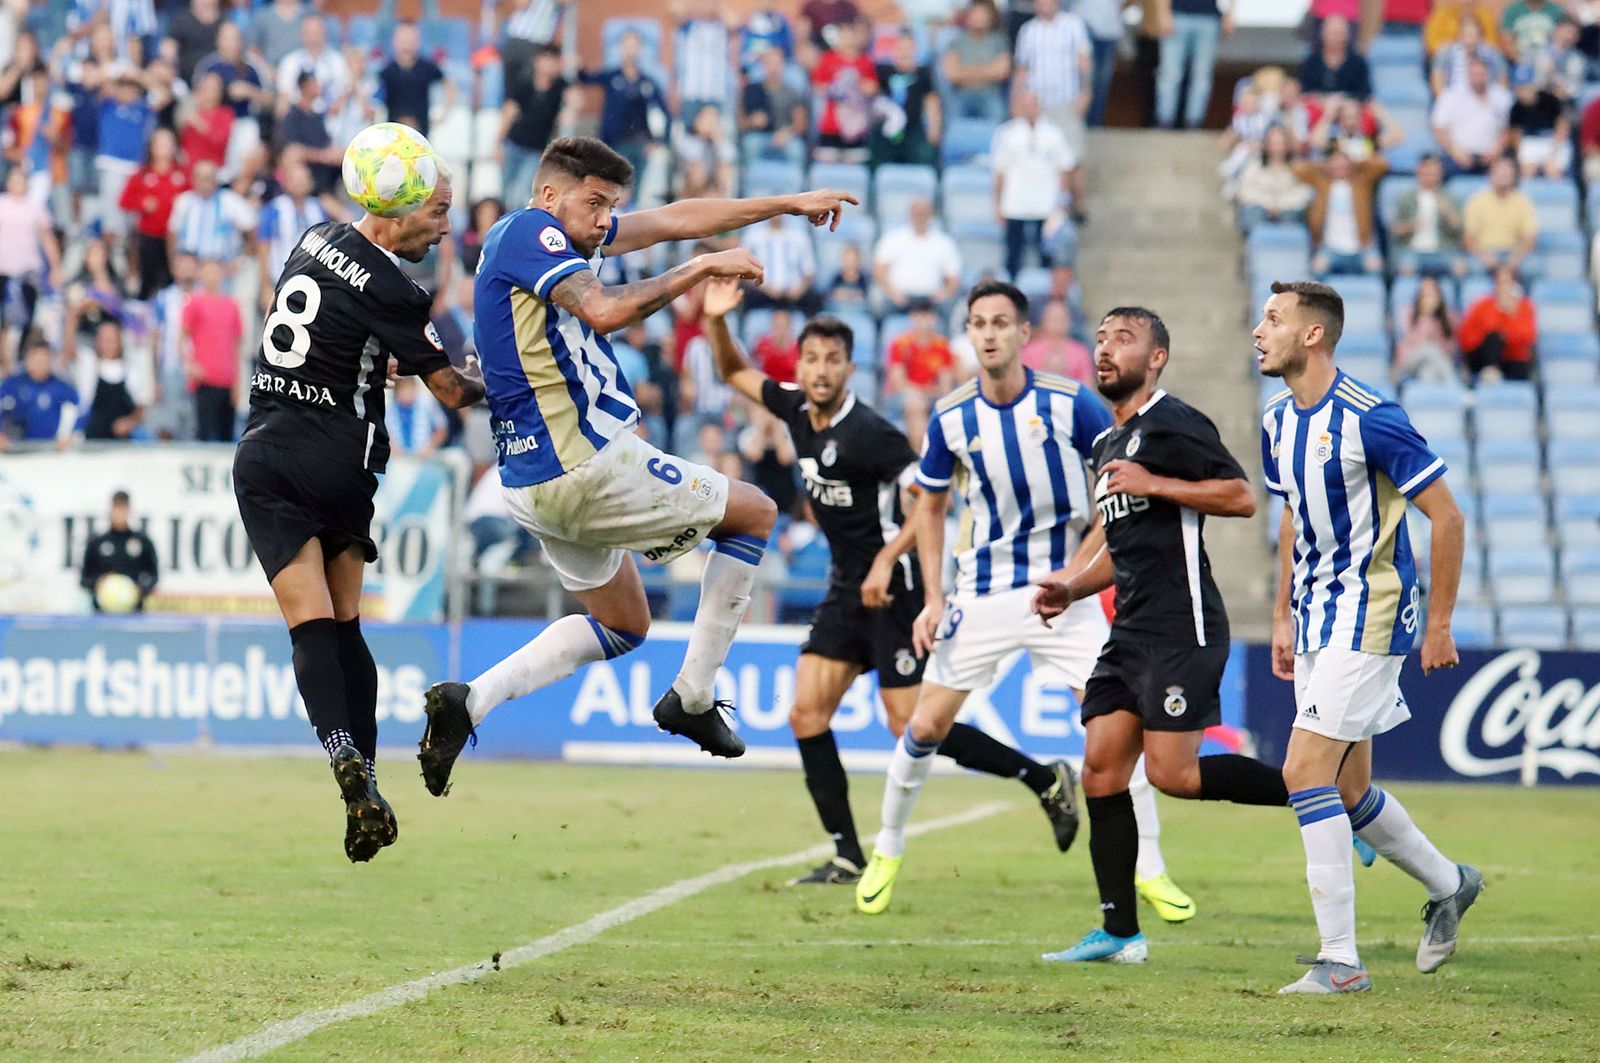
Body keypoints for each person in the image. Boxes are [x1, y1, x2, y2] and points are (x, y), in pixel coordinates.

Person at [414, 137, 859, 790]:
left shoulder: (557, 241)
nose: (603, 219)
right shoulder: (529, 233)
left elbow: (680, 217)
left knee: (625, 624)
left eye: (610, 206)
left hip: (533, 483)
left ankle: (469, 700)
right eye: (593, 203)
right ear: (548, 195)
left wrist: (789, 202)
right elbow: (607, 309)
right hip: (583, 463)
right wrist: (700, 271)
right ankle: (695, 697)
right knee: (756, 513)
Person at [702, 276, 1087, 884]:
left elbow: (926, 503)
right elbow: (732, 372)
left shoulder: (872, 435)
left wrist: (888, 559)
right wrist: (718, 320)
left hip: (896, 588)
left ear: (850, 369)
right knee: (806, 714)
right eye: (811, 360)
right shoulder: (795, 410)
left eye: (833, 361)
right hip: (846, 585)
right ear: (798, 367)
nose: (821, 371)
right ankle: (847, 855)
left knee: (910, 725)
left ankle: (1044, 779)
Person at [855, 281, 1196, 924]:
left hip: (1060, 597)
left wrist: (1075, 574)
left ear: (1023, 333)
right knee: (922, 728)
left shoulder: (1074, 406)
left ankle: (1151, 868)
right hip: (981, 594)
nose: (988, 334)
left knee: (1113, 734)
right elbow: (929, 506)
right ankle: (888, 850)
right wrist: (931, 597)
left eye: (1001, 323)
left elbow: (1113, 496)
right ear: (968, 334)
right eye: (978, 323)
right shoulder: (951, 416)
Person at [232, 153, 486, 863]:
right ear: (398, 209)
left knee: (307, 625)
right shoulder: (397, 290)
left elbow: (335, 335)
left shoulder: (313, 236)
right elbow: (454, 393)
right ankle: (368, 777)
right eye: (436, 212)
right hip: (339, 460)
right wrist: (524, 377)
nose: (444, 228)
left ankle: (347, 771)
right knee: (347, 628)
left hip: (263, 451)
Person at [1031, 306, 1289, 964]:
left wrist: (1159, 482)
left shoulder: (1174, 421)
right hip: (1130, 629)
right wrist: (1071, 586)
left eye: (1125, 339)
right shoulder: (1106, 446)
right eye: (1101, 339)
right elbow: (1121, 546)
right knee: (1099, 769)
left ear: (1156, 358)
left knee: (1171, 775)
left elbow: (1238, 495)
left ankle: (1319, 796)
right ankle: (1120, 932)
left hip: (1182, 625)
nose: (1106, 349)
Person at [1253, 279, 1482, 994]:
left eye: (1274, 319)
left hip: (1373, 612)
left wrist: (1438, 620)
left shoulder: (1372, 417)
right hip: (1320, 616)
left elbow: (1446, 516)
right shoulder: (1276, 419)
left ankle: (1342, 961)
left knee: (1302, 771)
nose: (1259, 330)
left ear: (1313, 334)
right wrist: (1285, 613)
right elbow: (1292, 514)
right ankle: (1451, 884)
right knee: (1349, 790)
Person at [1013, 0, 1090, 210]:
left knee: (1074, 155)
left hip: (1066, 100)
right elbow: (1022, 68)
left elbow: (1084, 61)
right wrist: (1017, 99)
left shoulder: (1074, 25)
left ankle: (1079, 204)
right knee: (1042, 156)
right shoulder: (1028, 31)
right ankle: (1051, 205)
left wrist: (1086, 91)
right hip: (1038, 103)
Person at [991, 87, 1075, 279]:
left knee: (1046, 252)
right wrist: (997, 203)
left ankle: (1043, 290)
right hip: (1015, 203)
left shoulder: (1054, 134)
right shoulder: (1007, 133)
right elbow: (999, 171)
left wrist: (1062, 201)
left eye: (1033, 104)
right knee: (1013, 252)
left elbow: (1065, 168)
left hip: (1046, 205)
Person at [118, 128, 187, 300]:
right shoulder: (143, 174)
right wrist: (143, 203)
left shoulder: (181, 175)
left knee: (171, 281)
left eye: (168, 144)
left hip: (173, 238)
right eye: (160, 143)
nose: (164, 148)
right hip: (148, 236)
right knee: (147, 280)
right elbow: (124, 201)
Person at [1293, 148, 1386, 276]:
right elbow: (1298, 169)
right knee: (1316, 271)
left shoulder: (1362, 181)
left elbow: (1382, 165)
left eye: (1343, 162)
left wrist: (1356, 161)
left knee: (1376, 269)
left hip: (1362, 246)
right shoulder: (1322, 182)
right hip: (1330, 247)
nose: (1339, 166)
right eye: (1335, 161)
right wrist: (1323, 164)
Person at [181, 258, 242, 442]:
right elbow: (182, 337)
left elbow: (236, 346)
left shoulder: (231, 305)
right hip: (204, 380)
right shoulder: (195, 303)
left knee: (226, 435)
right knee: (204, 434)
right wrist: (190, 364)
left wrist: (237, 384)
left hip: (227, 380)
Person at [0, 166, 60, 348]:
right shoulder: (2, 204)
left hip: (27, 272)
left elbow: (47, 239)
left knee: (27, 316)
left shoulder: (35, 208)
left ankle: (20, 356)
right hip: (3, 270)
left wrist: (56, 267)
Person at [871, 198, 962, 314]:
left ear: (930, 216)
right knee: (877, 297)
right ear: (909, 215)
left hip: (932, 300)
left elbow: (953, 279)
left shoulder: (944, 243)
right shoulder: (893, 239)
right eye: (916, 213)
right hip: (898, 297)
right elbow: (879, 271)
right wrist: (892, 293)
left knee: (952, 303)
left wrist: (943, 294)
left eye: (923, 213)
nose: (920, 217)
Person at [1156, 0, 1233, 130]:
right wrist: (1163, 14)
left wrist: (1230, 15)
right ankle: (1164, 121)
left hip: (1209, 18)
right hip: (1177, 15)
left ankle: (1194, 123)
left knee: (1201, 76)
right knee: (1169, 74)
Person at [1431, 56, 1512, 176]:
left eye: (1481, 73)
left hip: (1492, 157)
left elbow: (1509, 129)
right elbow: (1438, 129)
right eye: (1474, 74)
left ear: (1488, 73)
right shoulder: (1451, 96)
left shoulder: (1502, 97)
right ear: (1467, 74)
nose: (1478, 77)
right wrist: (1456, 151)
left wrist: (1495, 151)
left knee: (1508, 170)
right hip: (1457, 155)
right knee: (1434, 170)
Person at [1390, 153, 1466, 278]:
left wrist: (1447, 211)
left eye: (1434, 171)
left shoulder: (1451, 198)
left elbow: (1460, 229)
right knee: (1405, 268)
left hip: (1443, 250)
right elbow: (1394, 230)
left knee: (1460, 267)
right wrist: (1412, 225)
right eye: (1427, 171)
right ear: (1418, 172)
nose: (1430, 175)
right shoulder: (1406, 198)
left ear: (1440, 173)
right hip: (1412, 251)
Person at [81, 491, 159, 612]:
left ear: (129, 510)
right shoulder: (96, 542)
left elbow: (153, 576)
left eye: (123, 508)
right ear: (110, 510)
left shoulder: (142, 542)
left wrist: (139, 589)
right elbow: (84, 578)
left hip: (133, 612)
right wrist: (98, 583)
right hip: (102, 612)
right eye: (116, 508)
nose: (119, 513)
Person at [1458, 263, 1537, 381]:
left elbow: (1527, 337)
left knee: (1522, 368)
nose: (1504, 287)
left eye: (1508, 282)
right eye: (1500, 282)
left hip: (1511, 357)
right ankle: (1490, 373)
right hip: (1482, 357)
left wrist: (1511, 314)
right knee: (1494, 337)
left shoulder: (1525, 307)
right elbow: (1467, 337)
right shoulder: (1482, 305)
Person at [1462, 154, 1538, 276]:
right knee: (1470, 267)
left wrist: (1514, 261)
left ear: (1514, 175)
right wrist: (1487, 258)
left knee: (1533, 267)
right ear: (1490, 175)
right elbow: (1469, 239)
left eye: (1507, 171)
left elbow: (1530, 239)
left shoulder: (1523, 201)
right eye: (1499, 171)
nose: (1503, 174)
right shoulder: (1477, 200)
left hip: (1513, 252)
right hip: (1485, 253)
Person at [0, 336, 78, 449]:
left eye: (44, 360)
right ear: (27, 359)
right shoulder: (12, 384)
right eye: (36, 359)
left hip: (52, 451)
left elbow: (78, 411)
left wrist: (68, 435)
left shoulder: (62, 387)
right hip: (17, 450)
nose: (40, 364)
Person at [942, 0, 1010, 125]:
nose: (979, 18)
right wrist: (988, 70)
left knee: (998, 118)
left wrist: (965, 71)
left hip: (990, 94)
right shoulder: (956, 42)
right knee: (954, 126)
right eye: (975, 14)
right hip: (962, 94)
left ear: (990, 18)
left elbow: (1001, 72)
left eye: (983, 14)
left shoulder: (999, 41)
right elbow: (952, 74)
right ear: (968, 17)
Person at [1236, 125, 1314, 232]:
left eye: (1281, 143)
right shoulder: (1254, 164)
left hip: (1288, 208)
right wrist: (1268, 204)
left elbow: (1304, 192)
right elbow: (1245, 190)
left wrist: (1281, 205)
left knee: (1291, 216)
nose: (1277, 148)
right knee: (1252, 213)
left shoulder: (1298, 166)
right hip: (1260, 207)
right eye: (1274, 143)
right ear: (1266, 145)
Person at [739, 45, 809, 165]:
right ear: (763, 66)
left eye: (777, 63)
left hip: (786, 138)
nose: (773, 68)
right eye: (769, 63)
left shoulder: (792, 92)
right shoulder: (752, 90)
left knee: (796, 149)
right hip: (759, 137)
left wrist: (786, 133)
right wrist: (752, 122)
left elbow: (801, 125)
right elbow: (740, 124)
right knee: (751, 144)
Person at [376, 22, 444, 137]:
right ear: (395, 40)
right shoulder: (387, 70)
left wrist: (444, 114)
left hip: (420, 132)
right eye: (404, 38)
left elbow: (448, 84)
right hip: (393, 132)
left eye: (410, 38)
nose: (407, 42)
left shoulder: (426, 67)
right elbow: (376, 99)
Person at [1394, 276, 1461, 383]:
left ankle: (1430, 396)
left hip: (1435, 361)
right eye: (1425, 296)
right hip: (1409, 359)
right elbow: (1410, 342)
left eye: (1431, 296)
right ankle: (1455, 385)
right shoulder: (1408, 313)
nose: (1428, 300)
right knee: (1428, 348)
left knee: (1428, 372)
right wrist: (1426, 318)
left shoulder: (1448, 317)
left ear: (1439, 298)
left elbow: (1450, 349)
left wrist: (1435, 321)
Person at [1298, 15, 1371, 101]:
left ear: (1347, 35)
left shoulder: (1358, 63)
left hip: (1349, 107)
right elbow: (1304, 92)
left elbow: (1364, 93)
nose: (1336, 38)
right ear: (1323, 34)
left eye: (1339, 33)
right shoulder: (1311, 63)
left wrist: (1343, 100)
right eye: (1332, 34)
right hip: (1318, 107)